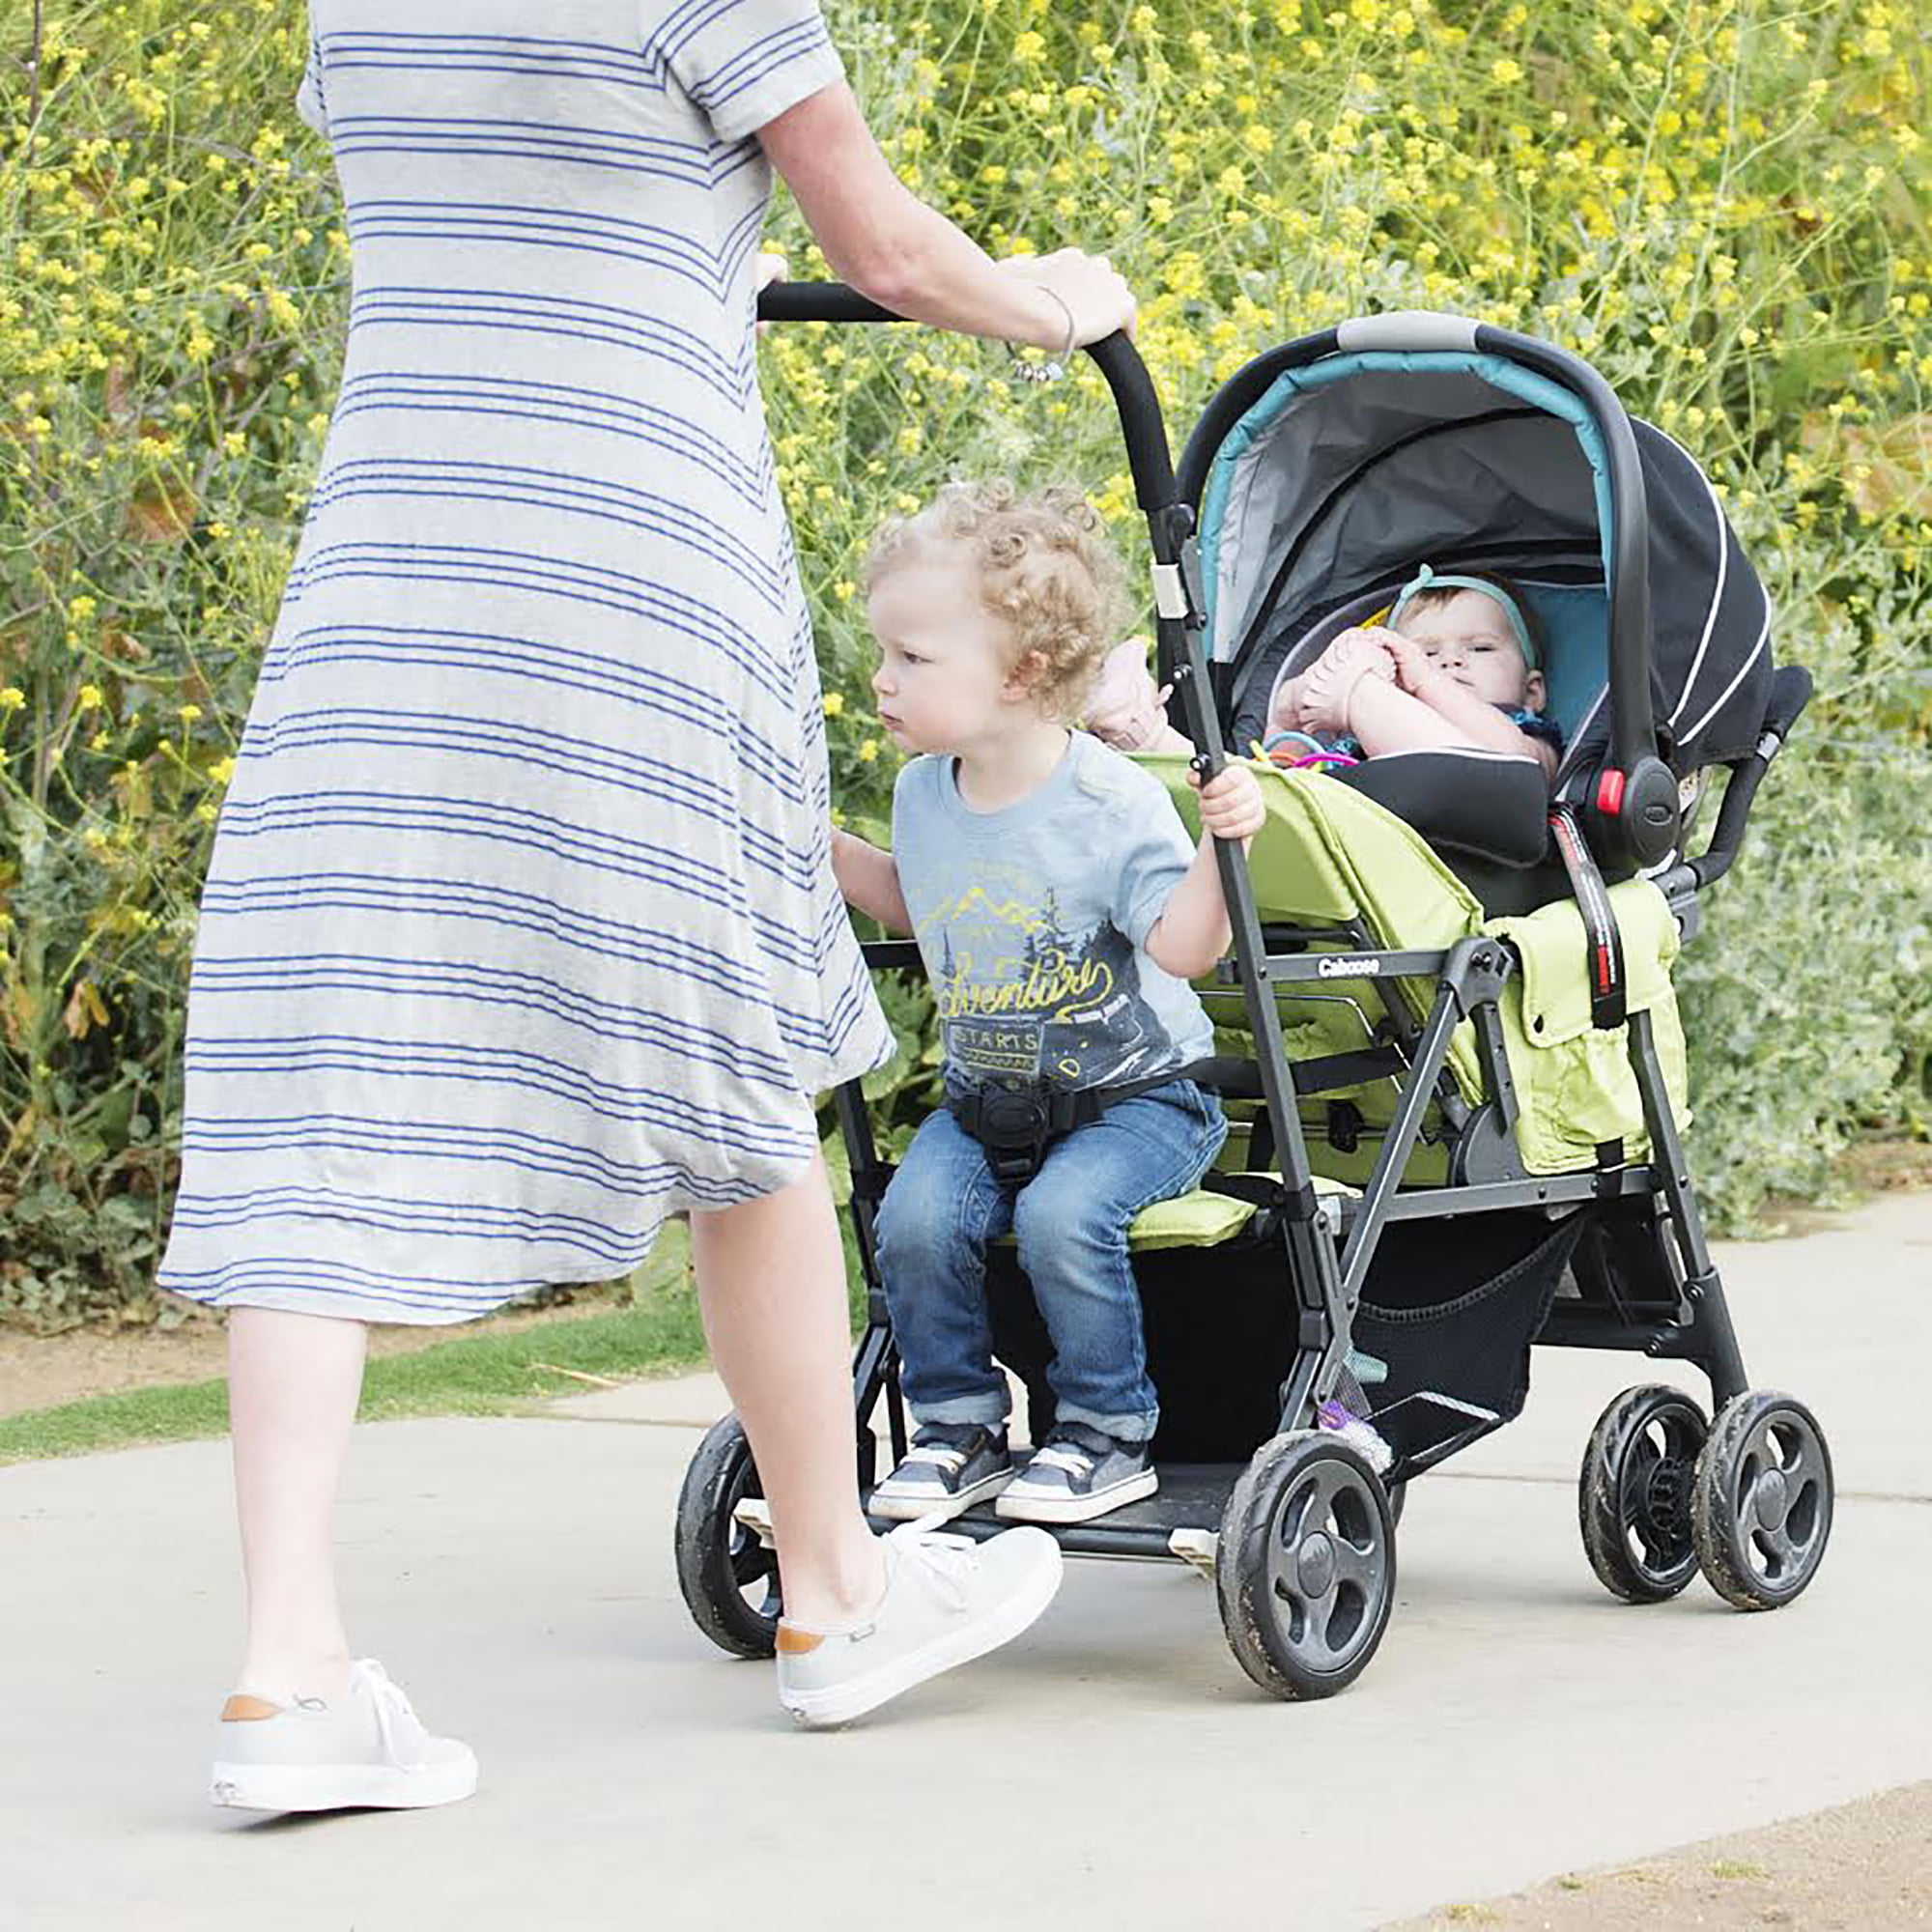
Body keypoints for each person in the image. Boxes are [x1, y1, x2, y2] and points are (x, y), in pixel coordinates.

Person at [175, 2, 1142, 1809]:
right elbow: (883, 249)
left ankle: (284, 1676)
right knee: (736, 1046)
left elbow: (479, 204)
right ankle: (839, 1593)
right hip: (632, 572)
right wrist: (1053, 303)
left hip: (389, 574)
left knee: (318, 1070)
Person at [831, 482, 1265, 1527]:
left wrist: (1223, 845)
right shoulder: (923, 791)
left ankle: (1107, 1430)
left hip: (1140, 1100)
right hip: (988, 1101)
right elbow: (920, 904)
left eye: (912, 659)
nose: (881, 680)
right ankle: (957, 1425)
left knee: (1063, 1216)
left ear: (1021, 672)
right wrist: (816, 845)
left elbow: (1184, 948)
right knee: (912, 1220)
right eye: (885, 653)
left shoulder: (1108, 801)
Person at [1088, 567, 1562, 780]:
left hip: (1464, 811)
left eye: (1480, 648)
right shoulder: (1358, 740)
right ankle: (1143, 732)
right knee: (1248, 787)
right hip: (1334, 821)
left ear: (1533, 691)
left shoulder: (1526, 737)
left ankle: (1356, 690)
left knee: (1495, 774)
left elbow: (1508, 763)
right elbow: (1288, 772)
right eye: (1426, 652)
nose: (1450, 662)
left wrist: (1423, 679)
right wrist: (1292, 717)